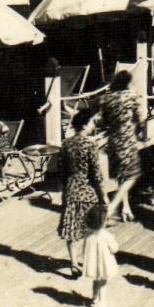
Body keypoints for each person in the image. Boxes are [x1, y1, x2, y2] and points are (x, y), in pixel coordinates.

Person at [58, 109, 106, 277]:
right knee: (91, 229)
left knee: (72, 230)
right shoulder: (90, 144)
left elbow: (62, 170)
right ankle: (89, 261)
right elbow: (97, 174)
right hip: (88, 192)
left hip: (71, 191)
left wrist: (65, 189)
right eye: (92, 122)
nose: (94, 125)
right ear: (85, 124)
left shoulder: (66, 144)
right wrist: (103, 195)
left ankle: (73, 263)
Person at [95, 70, 143, 223]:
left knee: (121, 176)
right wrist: (138, 130)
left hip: (113, 141)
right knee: (131, 175)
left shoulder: (106, 99)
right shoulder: (130, 98)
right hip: (127, 140)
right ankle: (114, 206)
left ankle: (126, 207)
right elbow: (140, 118)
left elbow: (103, 122)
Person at [79, 203, 120, 307]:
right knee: (103, 282)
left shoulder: (88, 235)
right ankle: (102, 305)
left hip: (93, 263)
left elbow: (85, 250)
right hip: (104, 263)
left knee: (96, 279)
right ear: (103, 222)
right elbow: (114, 249)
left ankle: (94, 297)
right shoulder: (106, 235)